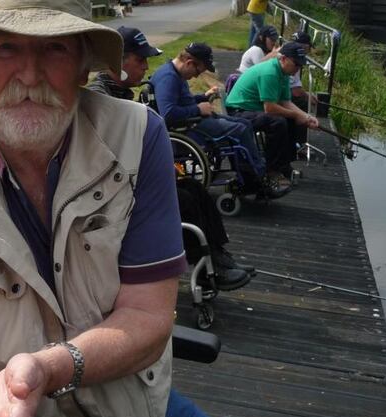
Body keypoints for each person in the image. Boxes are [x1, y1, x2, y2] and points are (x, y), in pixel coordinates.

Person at [0, 1, 240, 417]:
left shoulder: (139, 138)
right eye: (6, 48)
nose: (30, 75)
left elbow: (149, 315)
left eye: (55, 50)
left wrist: (50, 367)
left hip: (139, 413)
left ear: (84, 66)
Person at [88, 26, 254, 290]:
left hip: (132, 178)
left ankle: (218, 257)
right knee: (184, 200)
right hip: (111, 192)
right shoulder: (99, 98)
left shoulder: (119, 93)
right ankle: (207, 267)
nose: (145, 67)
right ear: (117, 61)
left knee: (195, 190)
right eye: (140, 60)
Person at [149, 42, 290, 194]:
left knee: (244, 123)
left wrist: (203, 97)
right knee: (240, 129)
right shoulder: (168, 78)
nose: (197, 75)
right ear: (189, 63)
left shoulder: (176, 74)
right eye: (198, 71)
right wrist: (198, 109)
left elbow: (181, 101)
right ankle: (256, 177)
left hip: (193, 122)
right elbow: (168, 114)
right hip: (187, 128)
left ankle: (252, 174)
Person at [225, 41, 320, 178]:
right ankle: (272, 169)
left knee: (290, 119)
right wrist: (296, 115)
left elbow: (285, 102)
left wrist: (306, 117)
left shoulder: (284, 73)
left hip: (253, 110)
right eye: (296, 64)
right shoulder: (270, 73)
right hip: (238, 111)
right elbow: (269, 108)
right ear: (283, 59)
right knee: (277, 122)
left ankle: (284, 165)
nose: (298, 68)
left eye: (301, 65)